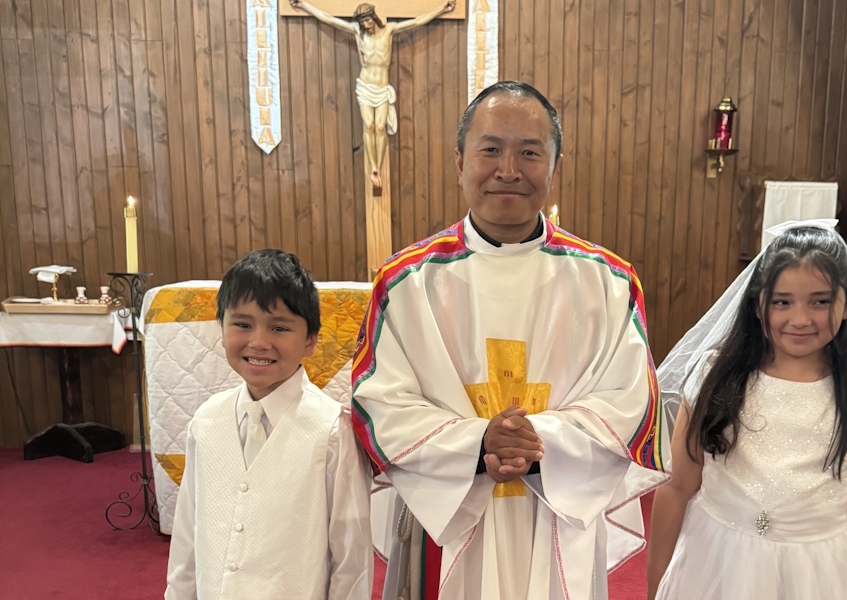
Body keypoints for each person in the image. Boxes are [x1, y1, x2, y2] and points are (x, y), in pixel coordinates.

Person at [351, 81, 669, 600]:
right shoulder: (407, 282)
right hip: (449, 516)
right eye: (490, 150)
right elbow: (377, 404)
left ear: (556, 167)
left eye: (529, 152)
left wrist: (538, 443)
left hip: (559, 514)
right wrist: (476, 445)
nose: (508, 170)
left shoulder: (608, 282)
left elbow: (630, 404)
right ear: (459, 162)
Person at [646, 221, 847, 600]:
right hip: (716, 558)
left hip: (819, 570)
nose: (800, 319)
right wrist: (655, 588)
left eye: (820, 301)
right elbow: (678, 487)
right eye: (782, 301)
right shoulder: (715, 375)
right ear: (757, 303)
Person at [164, 249, 372, 600]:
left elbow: (351, 557)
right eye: (242, 324)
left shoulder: (333, 432)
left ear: (310, 340)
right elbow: (188, 537)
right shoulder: (207, 420)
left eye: (279, 327)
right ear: (222, 327)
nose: (259, 342)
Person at [290, 0, 456, 188]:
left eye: (368, 21)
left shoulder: (389, 30)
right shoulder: (357, 32)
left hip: (382, 88)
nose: (366, 25)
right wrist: (304, 5)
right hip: (365, 87)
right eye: (362, 23)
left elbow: (417, 22)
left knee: (379, 127)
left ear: (374, 17)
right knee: (368, 125)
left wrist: (441, 9)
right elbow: (329, 19)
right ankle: (374, 169)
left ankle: (377, 163)